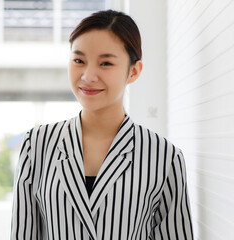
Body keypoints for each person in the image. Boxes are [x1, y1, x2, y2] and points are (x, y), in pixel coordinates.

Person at [11, 10, 193, 240]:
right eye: (79, 61)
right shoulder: (36, 145)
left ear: (133, 71)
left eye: (105, 63)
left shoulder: (164, 157)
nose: (88, 76)